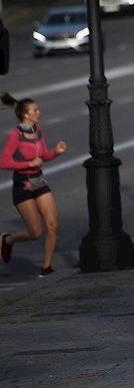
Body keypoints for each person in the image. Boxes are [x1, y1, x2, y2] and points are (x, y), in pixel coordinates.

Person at [0, 93, 69, 275]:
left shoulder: (38, 131)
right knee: (36, 232)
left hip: (39, 181)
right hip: (22, 184)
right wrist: (27, 164)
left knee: (52, 225)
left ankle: (46, 268)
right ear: (26, 115)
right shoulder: (16, 135)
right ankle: (7, 241)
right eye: (35, 110)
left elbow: (43, 156)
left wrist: (56, 152)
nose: (39, 112)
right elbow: (4, 162)